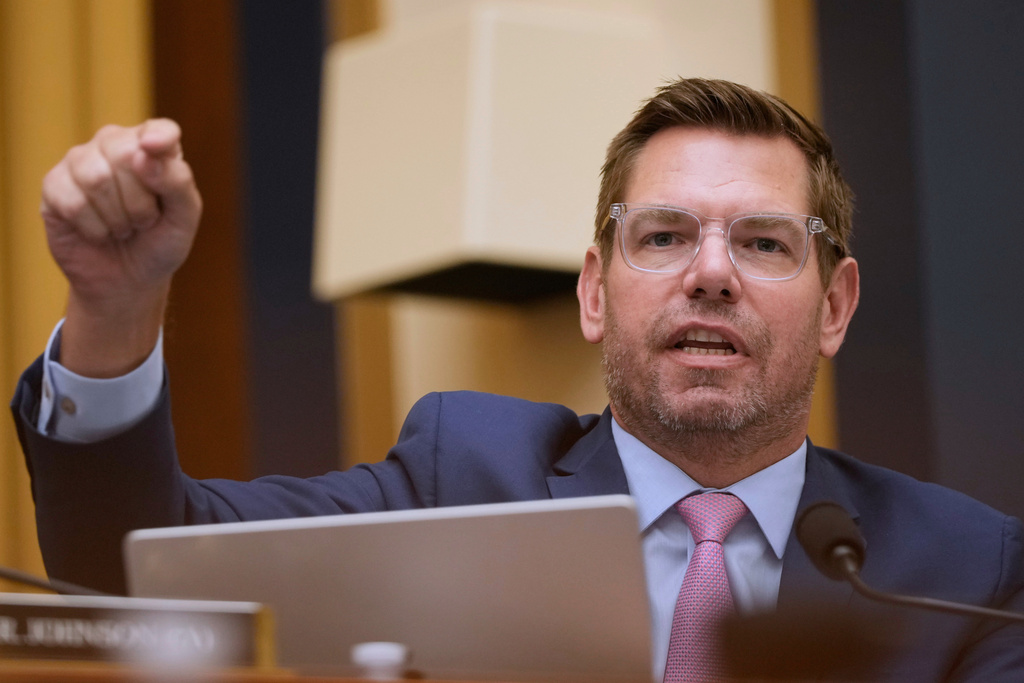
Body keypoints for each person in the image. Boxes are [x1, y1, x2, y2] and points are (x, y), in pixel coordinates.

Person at [11, 78, 1024, 682]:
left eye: (762, 242)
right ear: (595, 292)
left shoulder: (964, 571)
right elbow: (122, 572)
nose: (708, 272)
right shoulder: (464, 468)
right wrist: (115, 306)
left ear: (835, 305)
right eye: (662, 235)